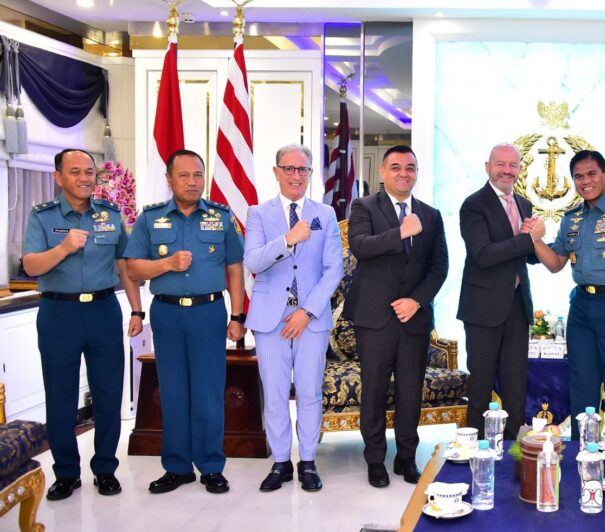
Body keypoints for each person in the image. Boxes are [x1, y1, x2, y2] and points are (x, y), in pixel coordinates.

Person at [22, 148, 143, 500]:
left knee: (108, 392)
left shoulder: (109, 214)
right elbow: (31, 265)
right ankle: (66, 473)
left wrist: (137, 311)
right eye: (75, 172)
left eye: (89, 172)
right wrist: (63, 247)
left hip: (104, 310)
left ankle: (105, 468)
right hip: (58, 312)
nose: (84, 178)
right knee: (60, 394)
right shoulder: (42, 216)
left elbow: (125, 265)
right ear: (58, 177)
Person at [124, 149, 246, 495]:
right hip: (167, 313)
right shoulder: (150, 219)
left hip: (208, 312)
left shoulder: (221, 217)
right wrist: (167, 264)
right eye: (184, 175)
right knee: (173, 392)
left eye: (198, 175)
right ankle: (177, 467)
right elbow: (132, 268)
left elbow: (235, 269)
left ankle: (211, 466)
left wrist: (237, 316)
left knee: (208, 393)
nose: (193, 182)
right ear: (169, 179)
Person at [345, 145, 448, 487]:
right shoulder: (364, 207)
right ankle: (375, 459)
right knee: (374, 390)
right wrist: (401, 232)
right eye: (396, 167)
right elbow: (360, 246)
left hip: (413, 318)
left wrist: (416, 301)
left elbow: (439, 268)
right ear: (382, 172)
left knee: (410, 391)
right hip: (374, 318)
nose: (404, 173)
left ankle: (406, 457)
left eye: (410, 167)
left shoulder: (431, 214)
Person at [244, 144, 343, 492]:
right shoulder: (258, 213)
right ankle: (281, 462)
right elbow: (253, 262)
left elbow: (333, 269)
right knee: (274, 394)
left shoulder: (325, 214)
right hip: (270, 319)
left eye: (303, 170)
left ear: (310, 174)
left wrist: (307, 312)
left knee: (309, 392)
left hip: (311, 320)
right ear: (276, 172)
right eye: (289, 168)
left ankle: (309, 462)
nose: (296, 176)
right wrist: (288, 240)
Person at [533, 150, 605, 445]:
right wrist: (534, 239)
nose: (586, 181)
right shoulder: (572, 218)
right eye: (579, 176)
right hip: (582, 306)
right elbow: (556, 263)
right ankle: (583, 452)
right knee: (582, 384)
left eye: (592, 174)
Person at [458, 143, 545, 440]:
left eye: (513, 165)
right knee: (480, 386)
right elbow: (483, 254)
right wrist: (528, 239)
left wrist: (545, 245)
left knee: (516, 385)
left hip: (518, 307)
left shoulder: (524, 204)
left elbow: (526, 255)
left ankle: (513, 451)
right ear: (488, 167)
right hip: (482, 309)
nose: (507, 170)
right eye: (500, 164)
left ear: (519, 169)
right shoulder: (473, 205)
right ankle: (476, 450)